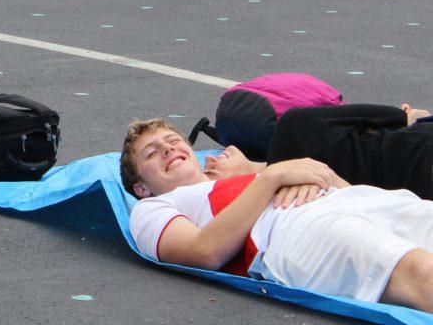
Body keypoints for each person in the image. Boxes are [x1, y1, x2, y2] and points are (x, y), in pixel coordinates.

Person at [121, 119, 433, 312]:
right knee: (420, 273)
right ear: (141, 188)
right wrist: (273, 178)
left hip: (352, 200)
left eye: (173, 141)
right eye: (151, 152)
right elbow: (203, 252)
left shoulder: (239, 174)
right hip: (296, 231)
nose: (167, 148)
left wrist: (309, 176)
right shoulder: (152, 209)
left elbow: (338, 184)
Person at [204, 103, 433, 200]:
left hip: (412, 166)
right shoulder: (292, 127)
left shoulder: (292, 130)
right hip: (413, 157)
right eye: (209, 173)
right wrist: (410, 118)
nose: (210, 160)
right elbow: (393, 116)